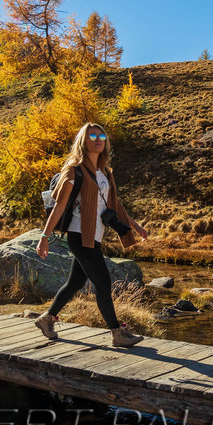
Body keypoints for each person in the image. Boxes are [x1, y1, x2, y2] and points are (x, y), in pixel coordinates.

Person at [28, 122, 149, 347]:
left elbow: (114, 205)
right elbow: (59, 206)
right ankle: (117, 333)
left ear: (105, 141)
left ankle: (46, 319)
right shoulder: (75, 170)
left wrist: (135, 226)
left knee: (75, 282)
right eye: (91, 135)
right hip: (79, 235)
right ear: (83, 141)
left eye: (101, 135)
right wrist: (44, 237)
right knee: (103, 282)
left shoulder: (105, 172)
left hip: (94, 236)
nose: (97, 139)